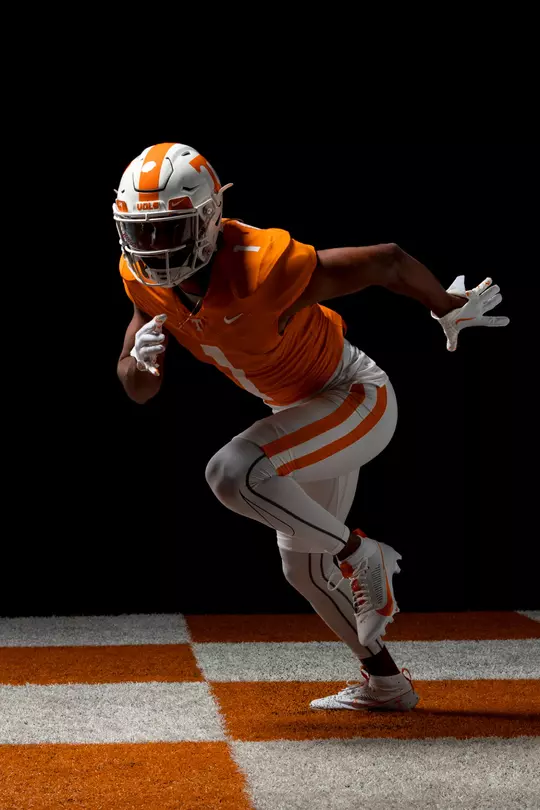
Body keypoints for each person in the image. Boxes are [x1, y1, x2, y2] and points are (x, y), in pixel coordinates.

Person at [114, 143, 509, 712]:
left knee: (232, 471)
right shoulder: (142, 279)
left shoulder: (262, 267)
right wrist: (140, 361)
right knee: (302, 567)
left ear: (206, 220)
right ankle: (386, 684)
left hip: (353, 395)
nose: (153, 247)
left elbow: (388, 261)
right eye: (141, 230)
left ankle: (360, 552)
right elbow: (140, 390)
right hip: (298, 414)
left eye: (168, 229)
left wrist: (445, 304)